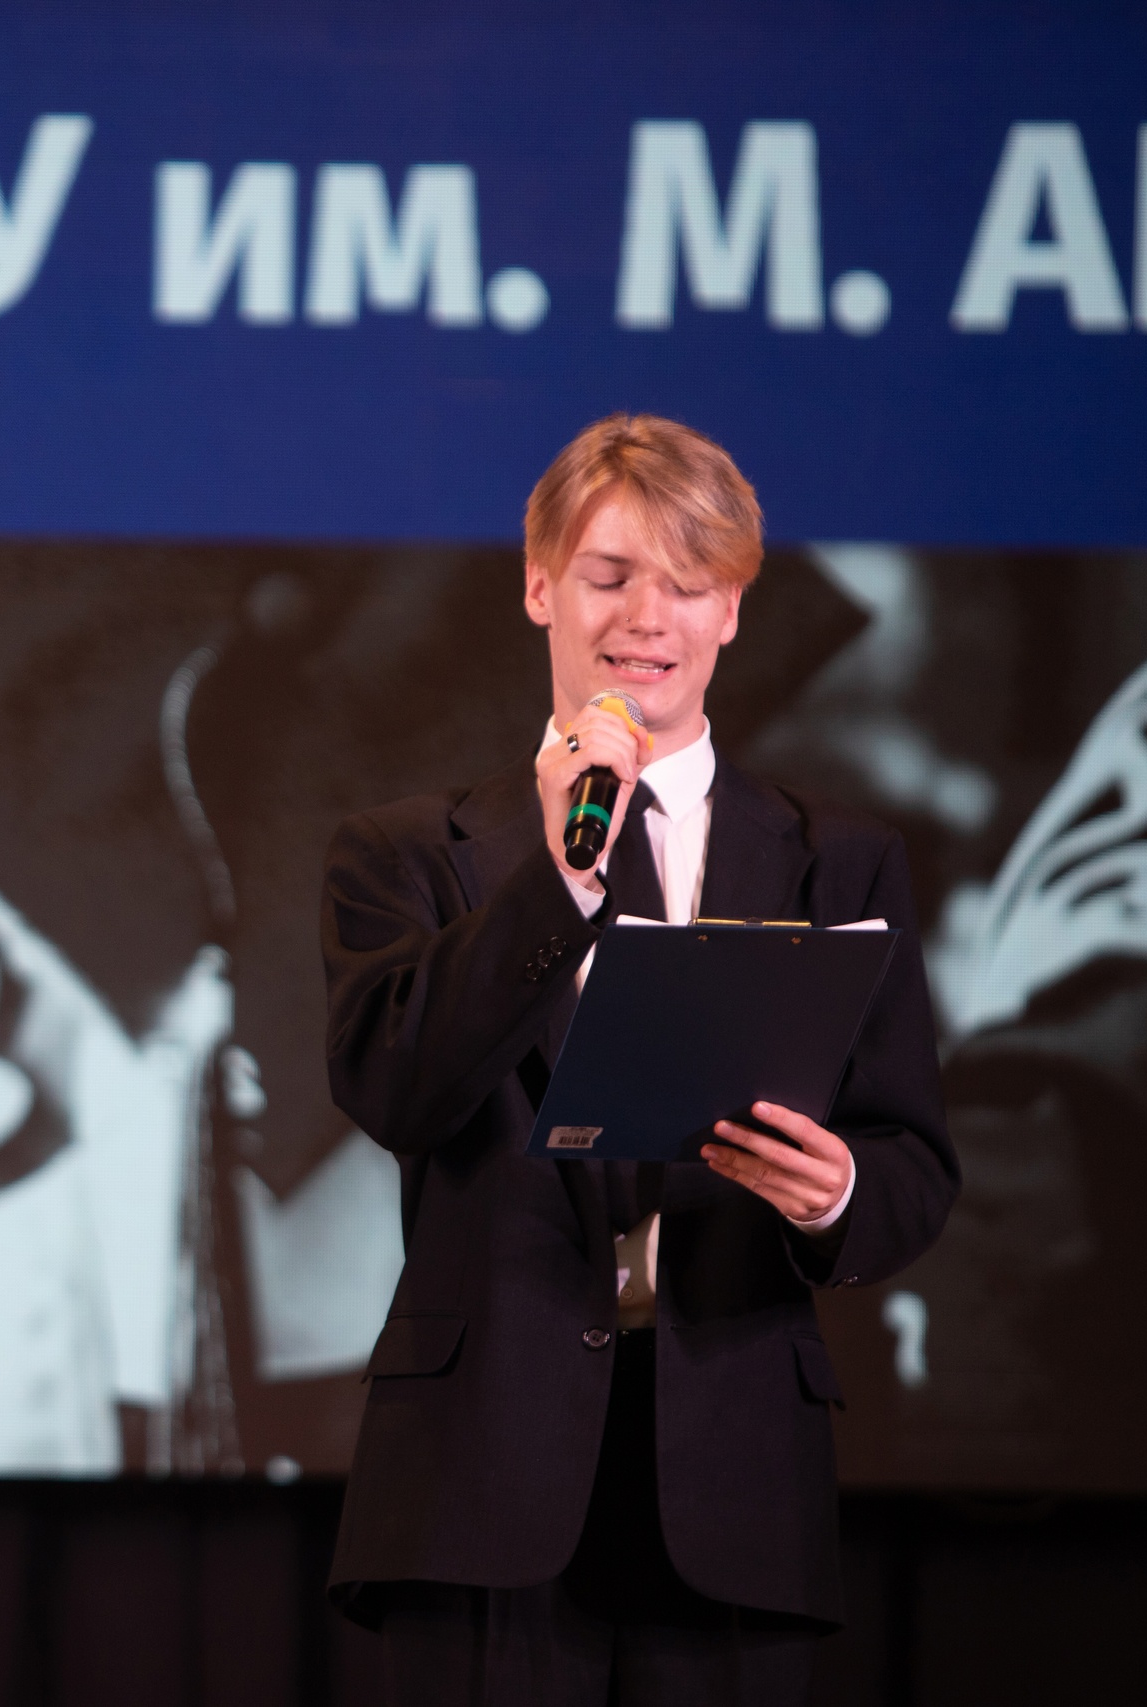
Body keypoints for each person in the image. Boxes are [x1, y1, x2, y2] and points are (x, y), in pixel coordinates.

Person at [319, 415, 957, 1702]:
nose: (645, 617)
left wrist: (830, 1192)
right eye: (609, 576)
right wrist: (556, 882)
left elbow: (911, 1164)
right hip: (481, 1474)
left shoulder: (838, 861)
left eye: (688, 582)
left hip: (733, 1472)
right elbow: (398, 1087)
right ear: (539, 588)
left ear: (732, 610)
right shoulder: (409, 854)